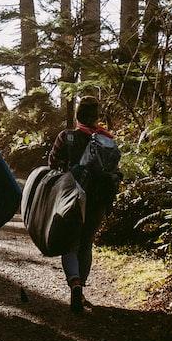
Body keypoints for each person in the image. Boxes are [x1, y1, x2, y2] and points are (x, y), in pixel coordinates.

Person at [47, 96, 119, 314]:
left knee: (70, 243)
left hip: (71, 199)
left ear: (78, 114)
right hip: (97, 200)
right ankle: (82, 288)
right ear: (96, 116)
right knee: (86, 244)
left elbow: (53, 164)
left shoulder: (66, 137)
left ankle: (75, 284)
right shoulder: (107, 140)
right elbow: (114, 169)